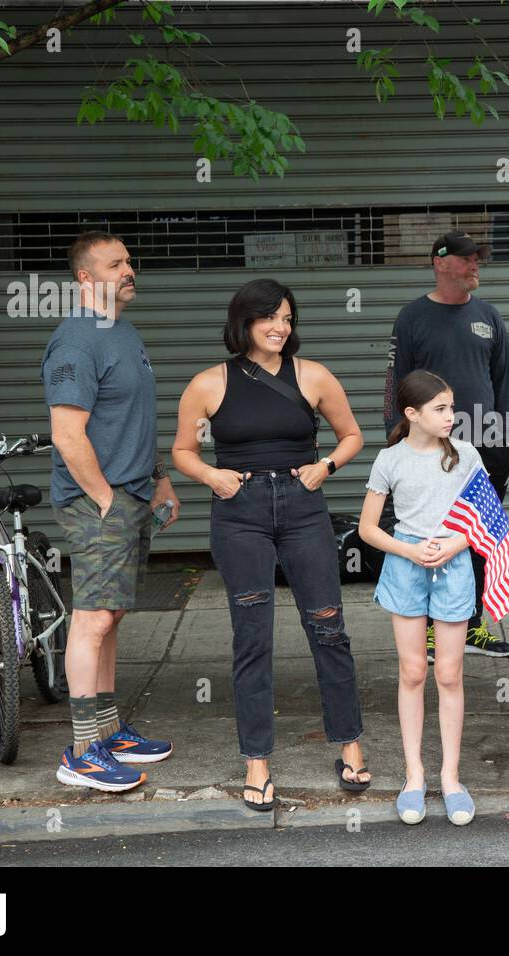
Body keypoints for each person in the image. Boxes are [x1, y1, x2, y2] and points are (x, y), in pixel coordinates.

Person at [171, 278, 369, 810]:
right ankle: (257, 762)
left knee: (328, 625)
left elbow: (353, 435)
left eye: (287, 318)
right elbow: (183, 450)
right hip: (240, 512)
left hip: (304, 508)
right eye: (269, 318)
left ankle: (350, 744)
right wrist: (212, 477)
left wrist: (325, 466)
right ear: (245, 322)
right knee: (252, 635)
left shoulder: (315, 375)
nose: (281, 327)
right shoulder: (209, 383)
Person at [43, 231, 177, 792]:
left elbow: (134, 419)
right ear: (83, 278)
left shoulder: (121, 332)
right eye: (116, 263)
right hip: (98, 501)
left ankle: (109, 729)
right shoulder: (76, 342)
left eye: (129, 260)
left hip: (133, 493)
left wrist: (161, 480)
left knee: (112, 615)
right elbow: (67, 433)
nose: (129, 269)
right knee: (93, 617)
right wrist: (103, 497)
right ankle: (81, 752)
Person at [383, 231, 509, 662]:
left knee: (476, 537)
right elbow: (395, 384)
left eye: (479, 258)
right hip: (427, 449)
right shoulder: (412, 317)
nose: (476, 264)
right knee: (426, 533)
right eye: (467, 259)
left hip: (485, 446)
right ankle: (424, 631)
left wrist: (504, 439)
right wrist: (398, 439)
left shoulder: (489, 316)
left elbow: (503, 383)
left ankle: (470, 625)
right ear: (440, 263)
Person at [361, 370, 481, 826]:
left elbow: (485, 519)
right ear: (412, 414)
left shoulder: (466, 455)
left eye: (451, 407)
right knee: (413, 672)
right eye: (440, 409)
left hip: (453, 567)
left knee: (449, 673)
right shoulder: (390, 460)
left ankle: (451, 778)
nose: (451, 416)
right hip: (406, 567)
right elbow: (368, 529)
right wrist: (409, 549)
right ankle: (415, 776)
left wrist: (455, 543)